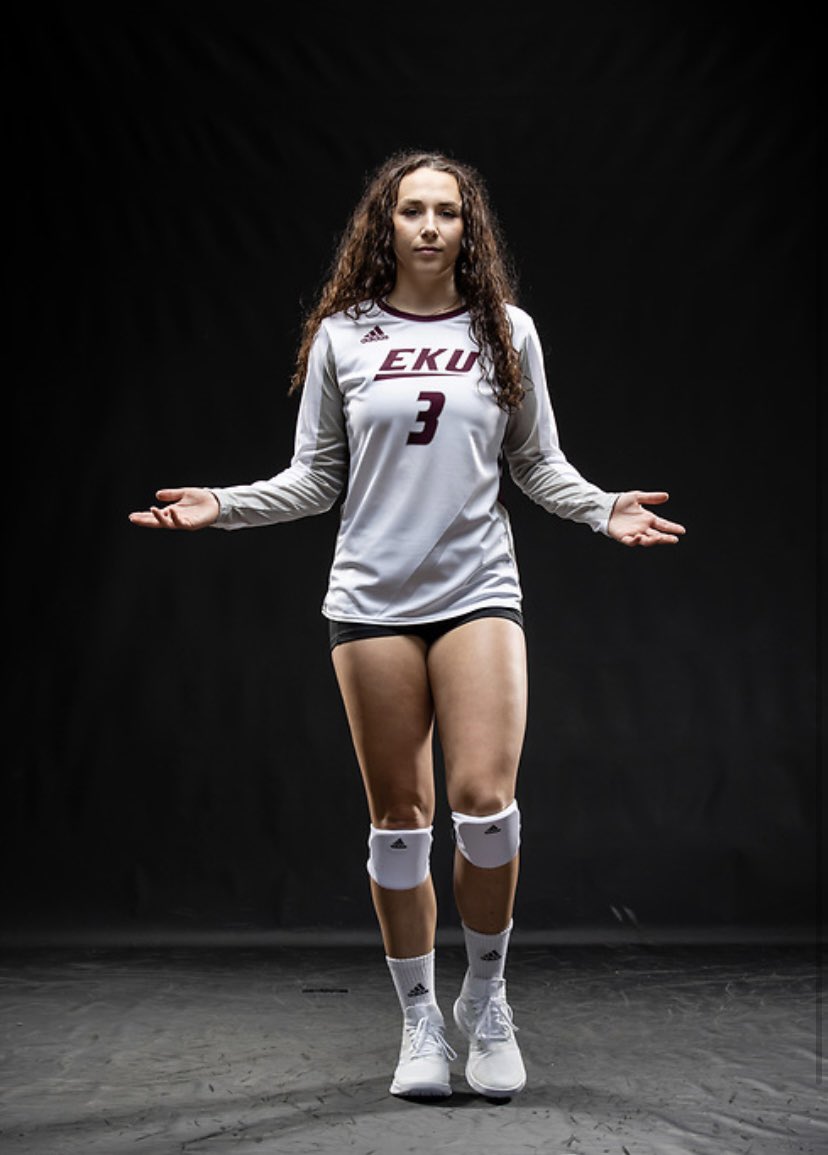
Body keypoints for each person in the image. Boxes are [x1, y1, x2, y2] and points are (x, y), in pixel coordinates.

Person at [130, 149, 685, 1101]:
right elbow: (315, 478)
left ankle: (488, 994)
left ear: (471, 232)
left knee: (484, 803)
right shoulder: (344, 336)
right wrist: (221, 504)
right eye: (413, 212)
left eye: (448, 213)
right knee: (400, 820)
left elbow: (537, 464)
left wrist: (603, 508)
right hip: (371, 599)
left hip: (477, 588)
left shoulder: (507, 330)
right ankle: (421, 1019)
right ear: (383, 226)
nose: (431, 227)